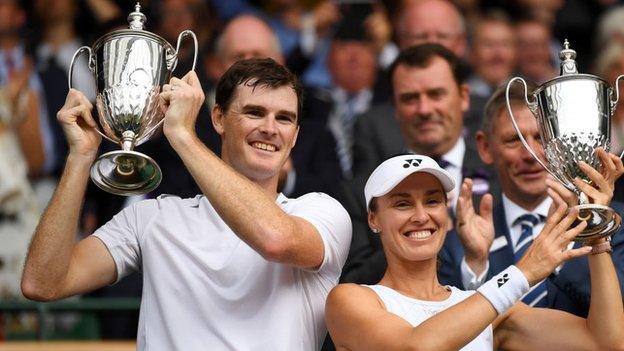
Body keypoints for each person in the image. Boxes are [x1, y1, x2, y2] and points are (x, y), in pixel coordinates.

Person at [21, 58, 352, 350]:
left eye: (284, 119)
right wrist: (80, 156)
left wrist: (182, 135)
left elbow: (275, 240)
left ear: (295, 135)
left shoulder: (321, 212)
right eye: (254, 112)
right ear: (219, 118)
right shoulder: (151, 217)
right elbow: (43, 283)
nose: (269, 128)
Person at [325, 153, 624, 350]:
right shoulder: (351, 299)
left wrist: (595, 231)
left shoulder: (485, 310)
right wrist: (523, 272)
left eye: (432, 202)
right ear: (373, 219)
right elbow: (415, 347)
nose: (420, 216)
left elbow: (605, 342)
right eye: (402, 203)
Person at [439, 83, 624, 316]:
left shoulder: (614, 224)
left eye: (541, 138)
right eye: (514, 140)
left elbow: (618, 322)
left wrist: (565, 250)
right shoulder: (455, 246)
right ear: (485, 147)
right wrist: (476, 267)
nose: (530, 154)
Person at [340, 44, 496, 285]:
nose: (424, 110)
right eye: (410, 98)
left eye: (436, 94)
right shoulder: (364, 191)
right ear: (395, 108)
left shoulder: (503, 172)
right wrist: (406, 238)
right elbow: (353, 282)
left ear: (464, 97)